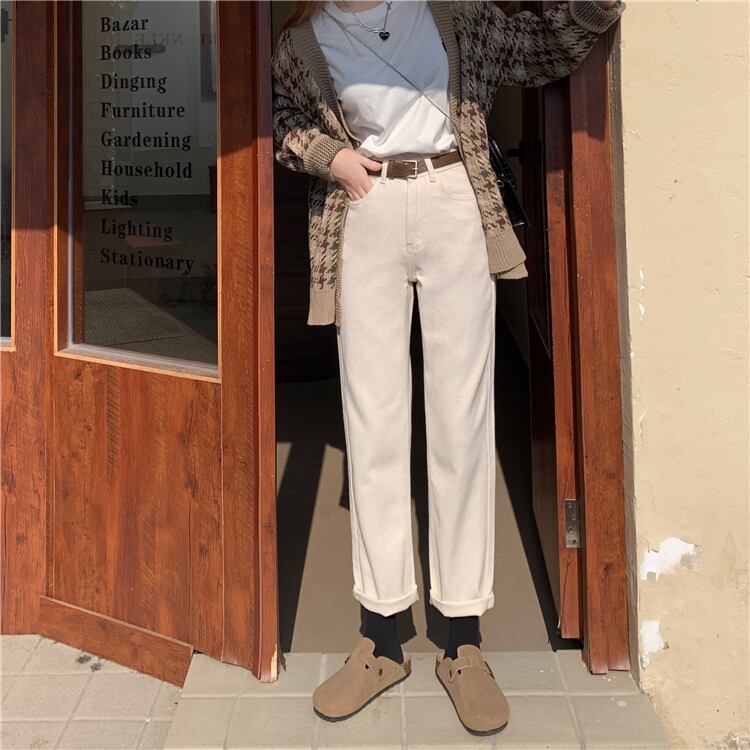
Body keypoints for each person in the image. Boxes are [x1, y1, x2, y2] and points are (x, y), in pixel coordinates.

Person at [271, 0, 625, 736]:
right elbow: (279, 121)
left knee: (461, 421)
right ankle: (382, 639)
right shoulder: (302, 40)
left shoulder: (454, 15)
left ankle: (463, 641)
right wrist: (329, 157)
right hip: (364, 211)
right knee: (373, 423)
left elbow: (544, 46)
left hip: (455, 201)